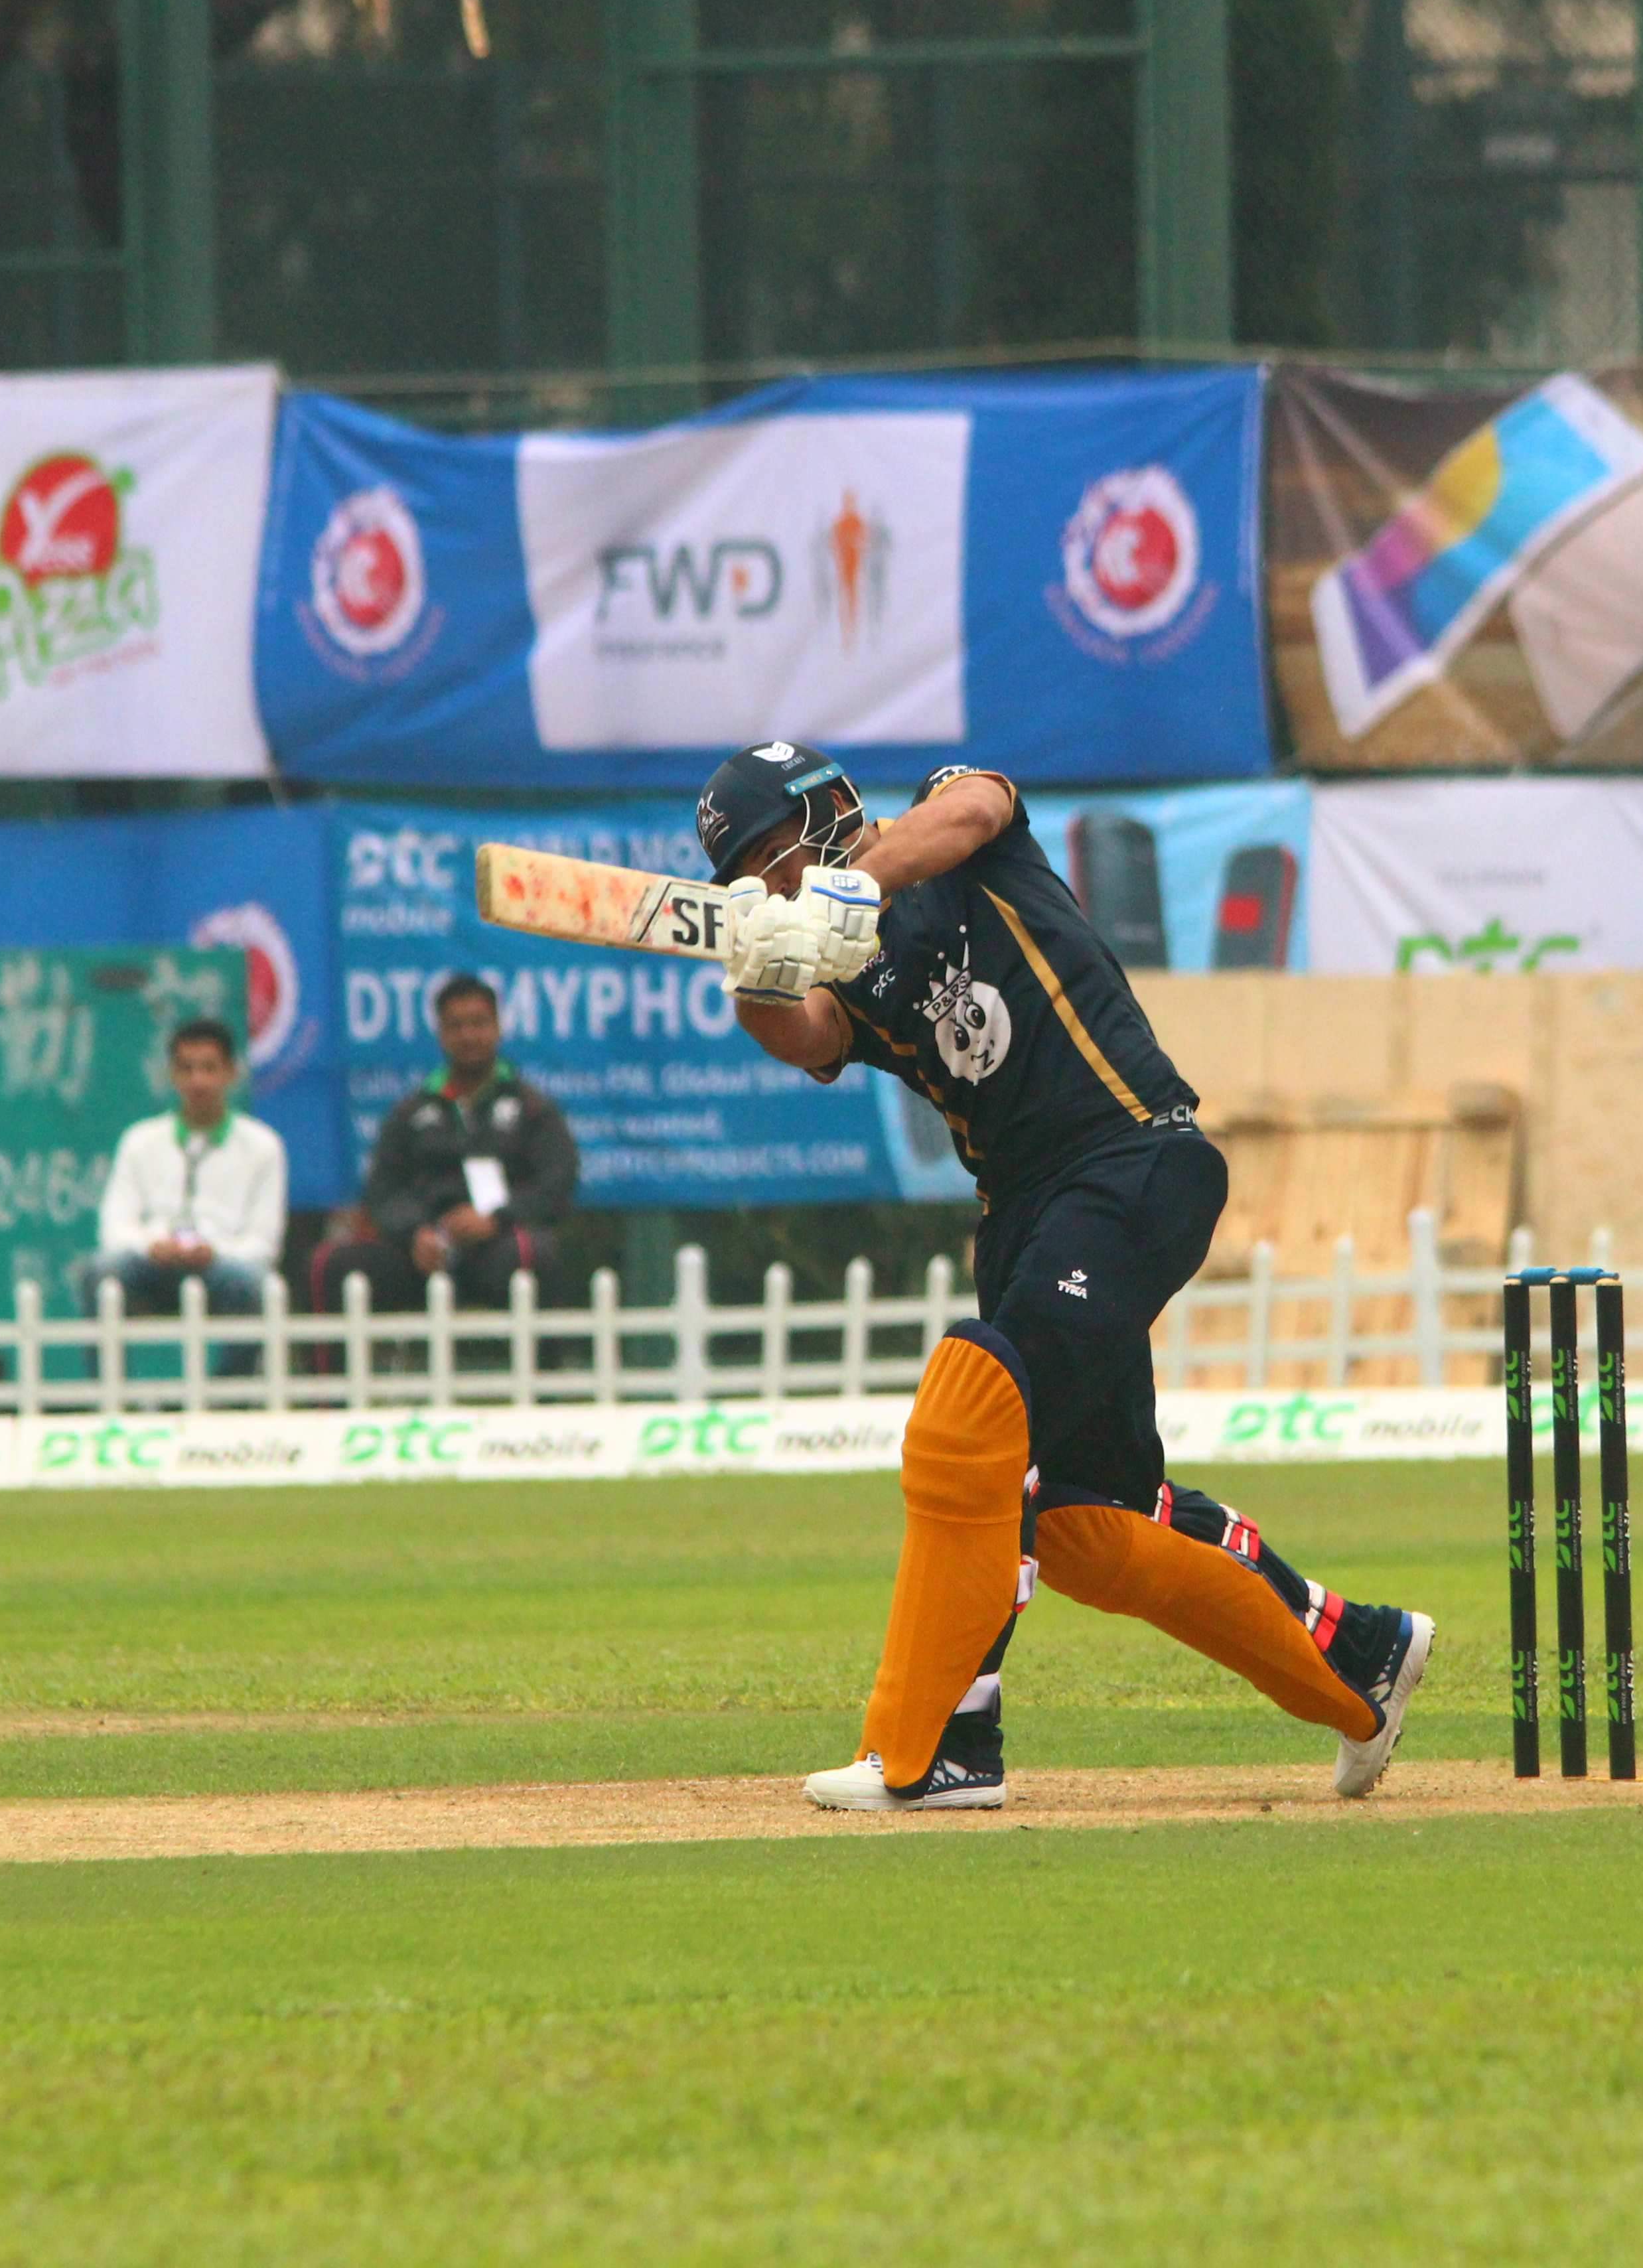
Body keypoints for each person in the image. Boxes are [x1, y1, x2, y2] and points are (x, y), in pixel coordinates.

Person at [701, 741, 1435, 1813]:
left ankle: (940, 1745)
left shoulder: (950, 832)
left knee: (970, 1417)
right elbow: (801, 1033)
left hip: (1131, 1158)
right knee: (1092, 1523)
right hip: (1021, 1217)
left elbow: (974, 808)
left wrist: (845, 892)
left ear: (827, 810)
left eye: (774, 852)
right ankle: (1358, 1658)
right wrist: (759, 975)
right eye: (748, 875)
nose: (771, 881)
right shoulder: (837, 966)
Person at [315, 973, 576, 1318]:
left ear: (498, 1027)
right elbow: (382, 1189)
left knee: (532, 1255)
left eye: (478, 1024)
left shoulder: (533, 1108)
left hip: (499, 1243)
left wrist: (496, 1219)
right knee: (333, 1263)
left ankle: (540, 1358)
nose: (468, 1036)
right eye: (456, 1026)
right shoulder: (411, 1111)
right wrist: (415, 1232)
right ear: (440, 1033)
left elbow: (556, 1183)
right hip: (422, 1251)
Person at [78, 1020, 287, 1319]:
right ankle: (113, 1354)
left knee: (256, 1283)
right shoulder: (140, 1140)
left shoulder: (263, 1146)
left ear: (231, 1073)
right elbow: (115, 1228)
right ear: (172, 1075)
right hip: (153, 1263)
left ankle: (234, 1356)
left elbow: (263, 1243)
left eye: (209, 1069)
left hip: (222, 1264)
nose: (198, 1081)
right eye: (187, 1069)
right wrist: (152, 1246)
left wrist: (213, 1251)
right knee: (101, 1272)